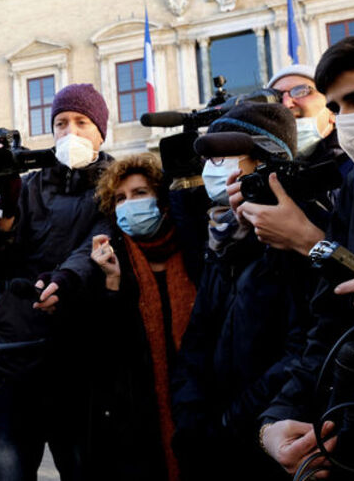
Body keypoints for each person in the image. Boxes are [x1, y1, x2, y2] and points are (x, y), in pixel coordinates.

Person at [171, 102, 324, 481]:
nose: (211, 167)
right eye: (209, 156)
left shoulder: (300, 231)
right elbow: (197, 339)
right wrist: (191, 413)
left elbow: (303, 346)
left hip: (267, 437)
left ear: (265, 161)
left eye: (224, 155)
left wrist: (231, 419)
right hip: (210, 441)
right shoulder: (222, 238)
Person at [260, 32, 354, 479]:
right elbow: (332, 316)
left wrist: (305, 239)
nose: (347, 118)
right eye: (336, 107)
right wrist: (274, 421)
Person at [0, 83, 115, 479]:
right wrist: (6, 204)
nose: (70, 131)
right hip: (11, 358)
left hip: (77, 362)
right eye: (61, 122)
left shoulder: (114, 188)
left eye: (81, 122)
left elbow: (99, 243)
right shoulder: (28, 184)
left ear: (100, 132)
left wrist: (67, 281)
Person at [90, 153, 198, 481]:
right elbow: (108, 348)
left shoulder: (194, 250)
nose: (129, 203)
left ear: (161, 200)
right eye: (120, 198)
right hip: (141, 417)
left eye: (139, 193)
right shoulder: (114, 259)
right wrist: (111, 282)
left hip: (196, 404)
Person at [224, 64, 351, 257]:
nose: (287, 103)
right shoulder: (260, 176)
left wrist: (306, 239)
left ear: (332, 110)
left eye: (301, 91)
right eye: (274, 97)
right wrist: (244, 229)